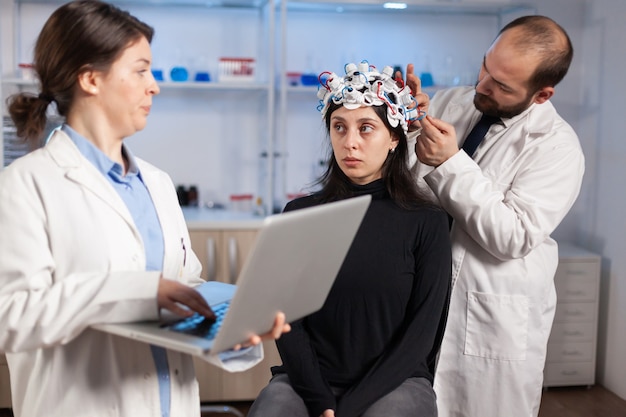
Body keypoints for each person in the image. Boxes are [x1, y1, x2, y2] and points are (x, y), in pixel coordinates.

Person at [0, 1, 289, 416]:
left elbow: (183, 285)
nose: (154, 85)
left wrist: (230, 328)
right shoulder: (25, 185)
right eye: (140, 70)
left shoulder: (156, 182)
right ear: (90, 78)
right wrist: (136, 292)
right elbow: (11, 317)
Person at [247, 61, 452, 417]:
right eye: (339, 127)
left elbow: (421, 336)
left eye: (366, 128)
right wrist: (320, 399)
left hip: (396, 380)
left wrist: (350, 407)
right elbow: (287, 322)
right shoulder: (299, 214)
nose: (350, 142)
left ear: (393, 139)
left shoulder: (428, 221)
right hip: (310, 379)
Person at [405, 15, 585, 417]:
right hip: (424, 296)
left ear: (542, 94)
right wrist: (408, 127)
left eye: (502, 85)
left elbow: (513, 236)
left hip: (487, 316)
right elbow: (415, 193)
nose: (482, 86)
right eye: (486, 66)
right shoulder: (453, 102)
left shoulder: (557, 147)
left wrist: (450, 161)